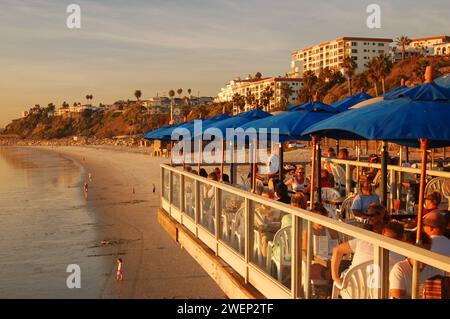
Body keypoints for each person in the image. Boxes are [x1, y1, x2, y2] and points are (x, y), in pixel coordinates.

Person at [331, 204, 391, 287]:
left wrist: (336, 278)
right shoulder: (395, 247)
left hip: (354, 288)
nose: (368, 218)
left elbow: (337, 250)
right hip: (378, 289)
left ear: (381, 216)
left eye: (371, 215)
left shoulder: (363, 240)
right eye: (367, 215)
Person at [389, 232, 441, 299]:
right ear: (410, 252)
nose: (423, 257)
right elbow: (396, 296)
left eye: (427, 253)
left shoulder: (435, 268)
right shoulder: (399, 268)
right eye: (421, 253)